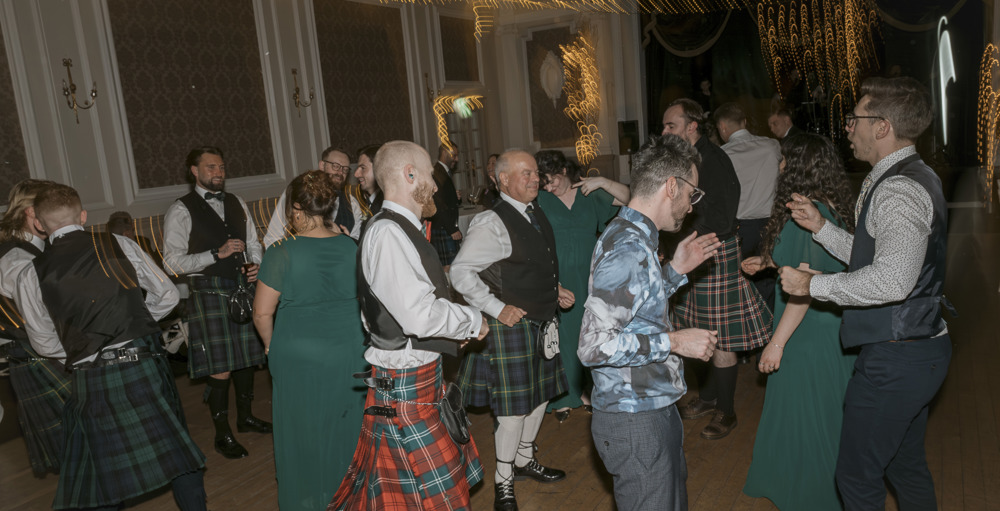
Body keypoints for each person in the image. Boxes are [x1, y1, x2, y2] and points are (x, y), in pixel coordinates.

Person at [778, 77, 952, 510]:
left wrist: (811, 284)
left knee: (856, 477)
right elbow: (876, 256)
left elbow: (893, 280)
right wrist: (822, 230)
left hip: (898, 358)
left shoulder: (898, 189)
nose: (848, 127)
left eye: (855, 118)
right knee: (903, 466)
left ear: (882, 127)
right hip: (918, 349)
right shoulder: (912, 176)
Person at [17, 184, 207, 511]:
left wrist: (82, 351)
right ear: (83, 215)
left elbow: (43, 341)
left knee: (105, 470)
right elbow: (168, 297)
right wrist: (136, 322)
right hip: (144, 363)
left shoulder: (30, 273)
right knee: (178, 451)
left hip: (90, 375)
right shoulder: (118, 243)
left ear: (40, 224)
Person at [329, 140, 487, 510]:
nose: (435, 185)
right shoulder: (387, 233)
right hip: (403, 390)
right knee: (438, 502)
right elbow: (418, 315)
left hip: (417, 383)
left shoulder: (402, 228)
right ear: (409, 174)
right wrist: (472, 320)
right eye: (430, 175)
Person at [579, 134, 720, 511]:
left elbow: (635, 307)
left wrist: (673, 270)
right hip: (634, 418)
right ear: (672, 186)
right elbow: (593, 346)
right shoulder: (629, 248)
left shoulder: (633, 236)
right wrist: (674, 342)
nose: (691, 205)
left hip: (649, 408)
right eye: (692, 193)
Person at [451, 149, 575, 511]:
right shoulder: (492, 222)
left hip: (542, 319)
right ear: (502, 180)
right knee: (513, 409)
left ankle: (524, 459)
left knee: (540, 397)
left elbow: (528, 264)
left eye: (535, 173)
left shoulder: (535, 210)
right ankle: (503, 481)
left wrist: (554, 290)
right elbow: (460, 273)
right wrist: (494, 308)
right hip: (513, 325)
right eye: (525, 174)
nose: (535, 179)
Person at [741, 133, 857, 510]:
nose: (778, 167)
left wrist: (776, 343)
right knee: (825, 417)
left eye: (783, 160)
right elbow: (815, 264)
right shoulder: (830, 211)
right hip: (832, 331)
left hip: (806, 336)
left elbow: (804, 290)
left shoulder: (804, 219)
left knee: (809, 422)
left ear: (798, 168)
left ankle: (814, 498)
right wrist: (770, 262)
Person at [252, 170, 368, 510]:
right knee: (347, 429)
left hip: (298, 354)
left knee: (302, 434)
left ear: (296, 208)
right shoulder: (351, 245)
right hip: (349, 350)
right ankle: (350, 499)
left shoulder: (281, 252)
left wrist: (271, 346)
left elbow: (261, 313)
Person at [662, 98, 772, 440]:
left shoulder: (715, 161)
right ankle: (708, 398)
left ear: (692, 127)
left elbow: (722, 219)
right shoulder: (687, 159)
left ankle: (726, 412)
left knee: (720, 338)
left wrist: (679, 227)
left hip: (714, 254)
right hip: (694, 255)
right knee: (694, 329)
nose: (664, 132)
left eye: (671, 126)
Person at [162, 146, 271, 460]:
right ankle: (223, 435)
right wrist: (214, 255)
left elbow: (252, 242)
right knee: (221, 365)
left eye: (221, 166)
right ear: (194, 171)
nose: (218, 172)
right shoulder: (180, 210)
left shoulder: (236, 201)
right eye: (211, 167)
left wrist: (255, 264)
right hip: (210, 293)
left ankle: (246, 417)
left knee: (248, 358)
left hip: (242, 288)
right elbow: (171, 263)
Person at [534, 150, 618, 421]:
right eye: (543, 183)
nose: (548, 187)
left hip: (592, 274)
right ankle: (564, 395)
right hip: (558, 275)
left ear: (564, 171)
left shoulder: (589, 192)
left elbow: (633, 200)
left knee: (592, 331)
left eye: (552, 180)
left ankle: (588, 389)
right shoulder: (541, 199)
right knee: (566, 335)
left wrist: (604, 182)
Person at [0, 178, 70, 476]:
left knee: (80, 448)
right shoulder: (17, 259)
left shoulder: (33, 251)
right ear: (31, 213)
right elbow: (40, 316)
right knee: (79, 446)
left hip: (41, 351)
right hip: (36, 352)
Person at [715, 102, 781, 305]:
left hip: (741, 228)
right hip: (771, 226)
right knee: (769, 281)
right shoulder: (771, 146)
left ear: (722, 127)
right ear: (744, 122)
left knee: (741, 284)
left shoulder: (722, 154)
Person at [262, 147, 364, 247]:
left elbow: (357, 243)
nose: (340, 173)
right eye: (336, 166)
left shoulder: (352, 204)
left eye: (345, 169)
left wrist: (344, 240)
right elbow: (272, 237)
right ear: (322, 165)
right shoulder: (298, 193)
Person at [429, 143, 462, 268]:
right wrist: (451, 228)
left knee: (451, 266)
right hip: (443, 227)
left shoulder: (442, 171)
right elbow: (436, 202)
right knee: (448, 268)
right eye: (454, 155)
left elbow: (443, 197)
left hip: (445, 227)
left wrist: (454, 197)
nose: (456, 159)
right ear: (444, 153)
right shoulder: (436, 172)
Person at [348, 144, 383, 222]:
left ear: (378, 168)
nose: (356, 174)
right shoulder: (370, 202)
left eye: (363, 168)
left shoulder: (384, 206)